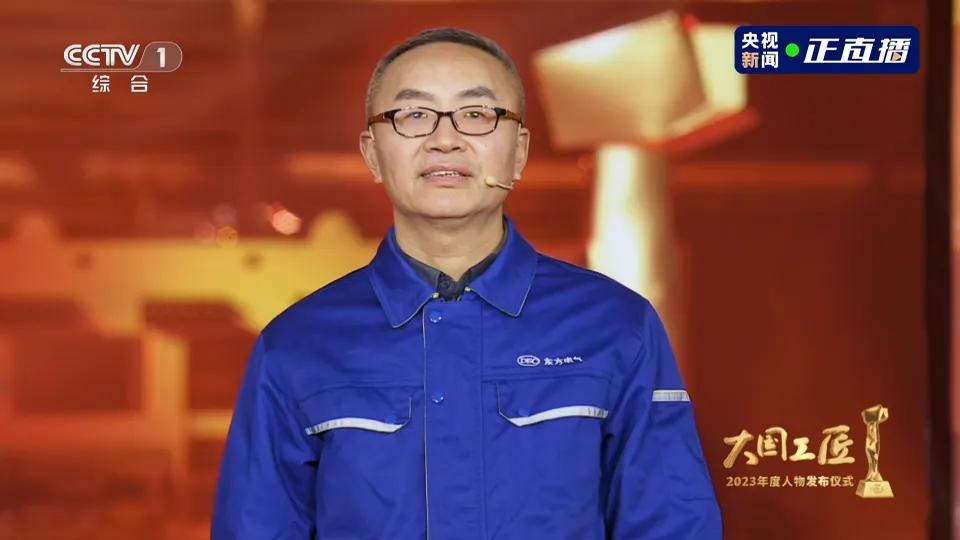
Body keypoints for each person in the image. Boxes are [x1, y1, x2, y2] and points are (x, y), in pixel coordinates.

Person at [211, 26, 722, 539]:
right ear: (372, 153)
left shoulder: (615, 327)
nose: (445, 138)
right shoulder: (298, 345)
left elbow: (672, 525)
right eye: (414, 114)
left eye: (476, 114)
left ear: (519, 151)